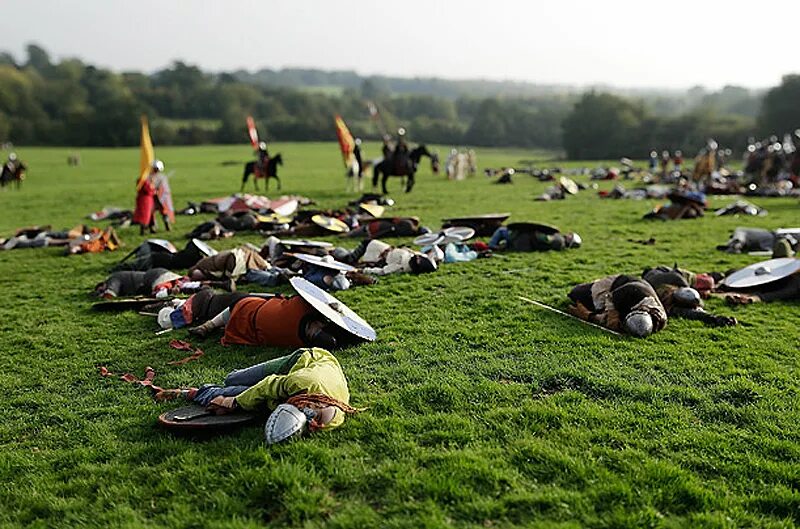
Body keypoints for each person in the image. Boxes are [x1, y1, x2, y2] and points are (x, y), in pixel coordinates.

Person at [154, 348, 360, 443]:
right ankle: (217, 390)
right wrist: (233, 402)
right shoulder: (300, 383)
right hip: (305, 359)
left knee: (247, 396)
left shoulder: (330, 419)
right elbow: (268, 385)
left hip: (307, 384)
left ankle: (189, 392)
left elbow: (280, 404)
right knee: (232, 380)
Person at [186, 293, 352, 350]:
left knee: (240, 302)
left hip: (251, 310)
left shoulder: (300, 306)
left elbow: (285, 301)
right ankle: (210, 325)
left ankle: (208, 325)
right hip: (252, 332)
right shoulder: (298, 342)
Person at [567, 274, 668, 337]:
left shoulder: (657, 321)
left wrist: (589, 316)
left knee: (595, 308)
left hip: (626, 302)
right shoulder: (632, 291)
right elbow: (610, 298)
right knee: (576, 294)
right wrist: (612, 314)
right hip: (618, 284)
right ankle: (596, 283)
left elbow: (610, 322)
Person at [641, 265, 737, 327]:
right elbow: (692, 312)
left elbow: (692, 311)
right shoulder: (669, 303)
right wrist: (713, 318)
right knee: (707, 283)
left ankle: (715, 276)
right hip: (674, 284)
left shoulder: (667, 281)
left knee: (708, 282)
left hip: (673, 280)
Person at [94, 267, 231, 299]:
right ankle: (220, 284)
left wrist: (102, 295)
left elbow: (110, 294)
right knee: (182, 284)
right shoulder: (121, 275)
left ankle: (171, 292)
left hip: (154, 278)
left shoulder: (113, 278)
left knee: (159, 294)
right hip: (161, 273)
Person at [333, 239, 437, 276]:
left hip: (373, 249)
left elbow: (382, 271)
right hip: (373, 248)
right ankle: (333, 250)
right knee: (349, 258)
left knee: (349, 258)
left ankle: (333, 250)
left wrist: (364, 271)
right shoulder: (409, 257)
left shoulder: (403, 263)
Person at [488, 224, 581, 252]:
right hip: (527, 245)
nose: (568, 234)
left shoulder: (558, 240)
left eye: (570, 236)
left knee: (501, 230)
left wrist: (534, 231)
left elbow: (543, 238)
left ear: (570, 240)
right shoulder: (560, 245)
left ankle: (491, 245)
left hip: (523, 241)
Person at [716, 227, 798, 257]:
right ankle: (734, 244)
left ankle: (735, 244)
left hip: (773, 237)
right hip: (773, 237)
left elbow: (784, 235)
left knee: (740, 231)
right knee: (740, 231)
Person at [345, 216, 426, 238]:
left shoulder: (408, 223)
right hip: (377, 231)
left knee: (352, 233)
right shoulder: (407, 233)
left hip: (378, 226)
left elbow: (393, 219)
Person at [150, 160, 174, 232]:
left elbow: (164, 188)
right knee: (151, 212)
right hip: (152, 198)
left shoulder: (162, 177)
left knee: (164, 211)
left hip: (161, 198)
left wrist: (159, 191)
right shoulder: (149, 176)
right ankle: (152, 227)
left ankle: (167, 225)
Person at [133, 164, 157, 235]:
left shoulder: (145, 179)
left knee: (150, 215)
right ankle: (143, 230)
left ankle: (151, 228)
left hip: (147, 200)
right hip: (146, 200)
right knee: (145, 216)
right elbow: (148, 190)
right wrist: (153, 190)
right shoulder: (144, 181)